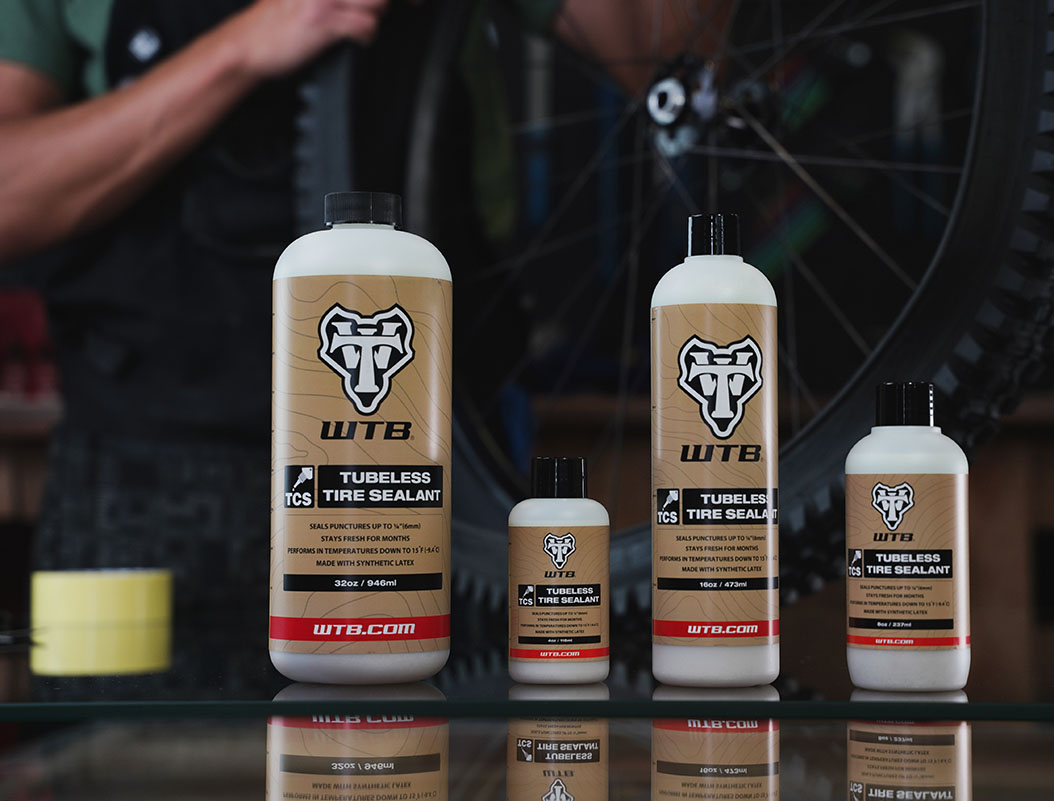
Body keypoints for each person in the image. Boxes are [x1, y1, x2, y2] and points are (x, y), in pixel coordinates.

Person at [0, 0, 724, 630]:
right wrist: (245, 45)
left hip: (431, 472)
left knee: (433, 737)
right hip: (141, 480)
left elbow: (671, 52)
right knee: (119, 744)